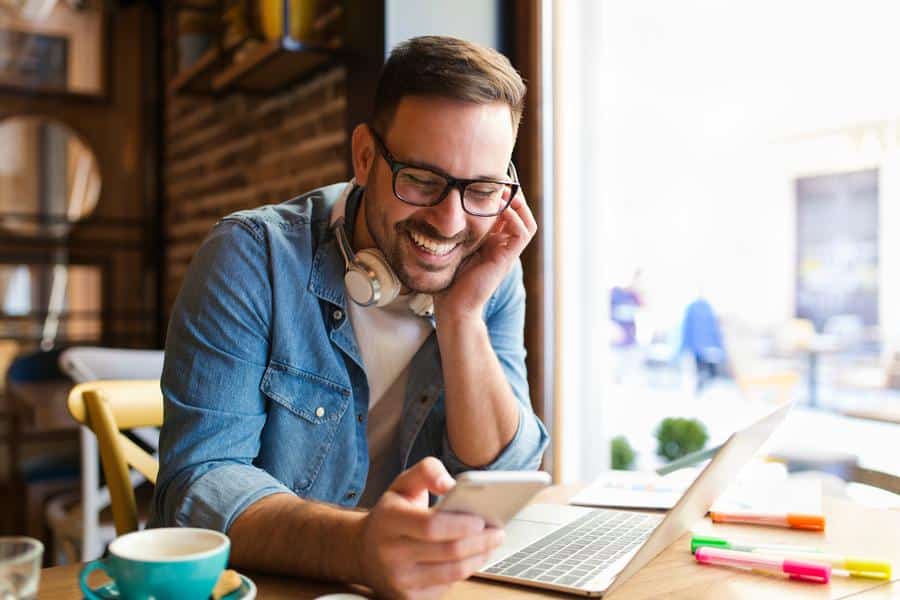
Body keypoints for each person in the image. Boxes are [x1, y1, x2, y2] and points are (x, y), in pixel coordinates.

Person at [150, 36, 549, 598]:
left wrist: (463, 317)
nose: (451, 222)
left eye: (482, 190)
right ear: (365, 157)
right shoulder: (251, 256)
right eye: (422, 180)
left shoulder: (489, 268)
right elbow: (199, 484)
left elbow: (502, 474)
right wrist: (357, 546)